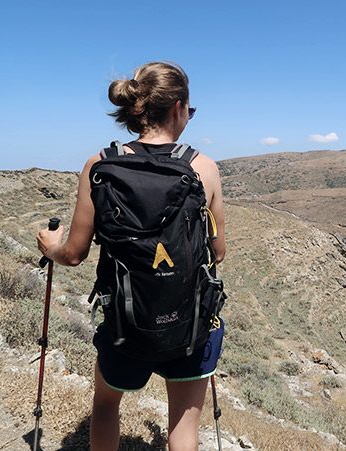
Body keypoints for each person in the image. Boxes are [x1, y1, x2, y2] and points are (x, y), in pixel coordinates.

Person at [36, 61, 226, 451]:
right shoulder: (203, 168)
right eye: (190, 110)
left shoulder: (100, 165)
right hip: (188, 324)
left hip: (125, 324)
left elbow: (73, 254)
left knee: (105, 408)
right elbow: (218, 253)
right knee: (184, 428)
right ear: (178, 107)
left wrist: (49, 244)